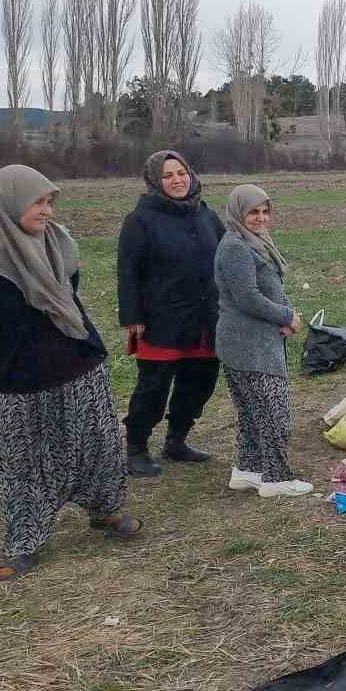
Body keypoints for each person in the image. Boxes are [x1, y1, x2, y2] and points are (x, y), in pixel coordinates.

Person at [0, 165, 143, 580]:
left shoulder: (59, 244)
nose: (48, 210)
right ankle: (23, 541)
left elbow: (70, 297)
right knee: (22, 461)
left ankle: (105, 511)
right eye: (38, 201)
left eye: (51, 201)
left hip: (78, 363)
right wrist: (5, 339)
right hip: (14, 378)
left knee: (96, 445)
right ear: (8, 203)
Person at [117, 150, 225, 477]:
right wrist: (132, 317)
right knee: (153, 388)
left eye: (181, 173)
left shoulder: (207, 216)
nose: (177, 180)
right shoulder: (140, 220)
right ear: (155, 181)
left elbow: (224, 261)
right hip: (161, 320)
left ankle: (177, 440)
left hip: (205, 318)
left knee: (199, 383)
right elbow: (128, 271)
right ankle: (136, 448)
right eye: (168, 176)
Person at [214, 185, 311, 498]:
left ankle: (247, 469)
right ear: (238, 213)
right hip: (248, 346)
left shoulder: (253, 242)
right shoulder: (235, 247)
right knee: (273, 413)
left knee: (253, 413)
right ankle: (275, 478)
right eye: (253, 212)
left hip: (253, 340)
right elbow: (247, 298)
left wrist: (283, 319)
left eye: (265, 211)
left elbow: (265, 291)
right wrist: (285, 316)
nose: (261, 218)